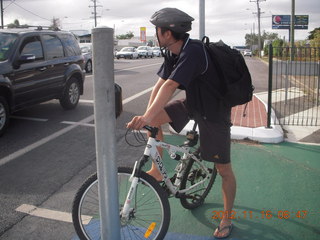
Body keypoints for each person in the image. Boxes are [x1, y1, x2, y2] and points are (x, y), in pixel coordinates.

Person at [127, 7, 236, 239]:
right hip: (194, 103)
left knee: (223, 169)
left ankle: (227, 219)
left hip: (214, 112)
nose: (156, 34)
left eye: (157, 30)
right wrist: (149, 116)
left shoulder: (193, 51)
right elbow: (160, 84)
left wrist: (145, 117)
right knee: (154, 119)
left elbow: (170, 87)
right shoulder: (172, 52)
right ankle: (157, 170)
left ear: (167, 33)